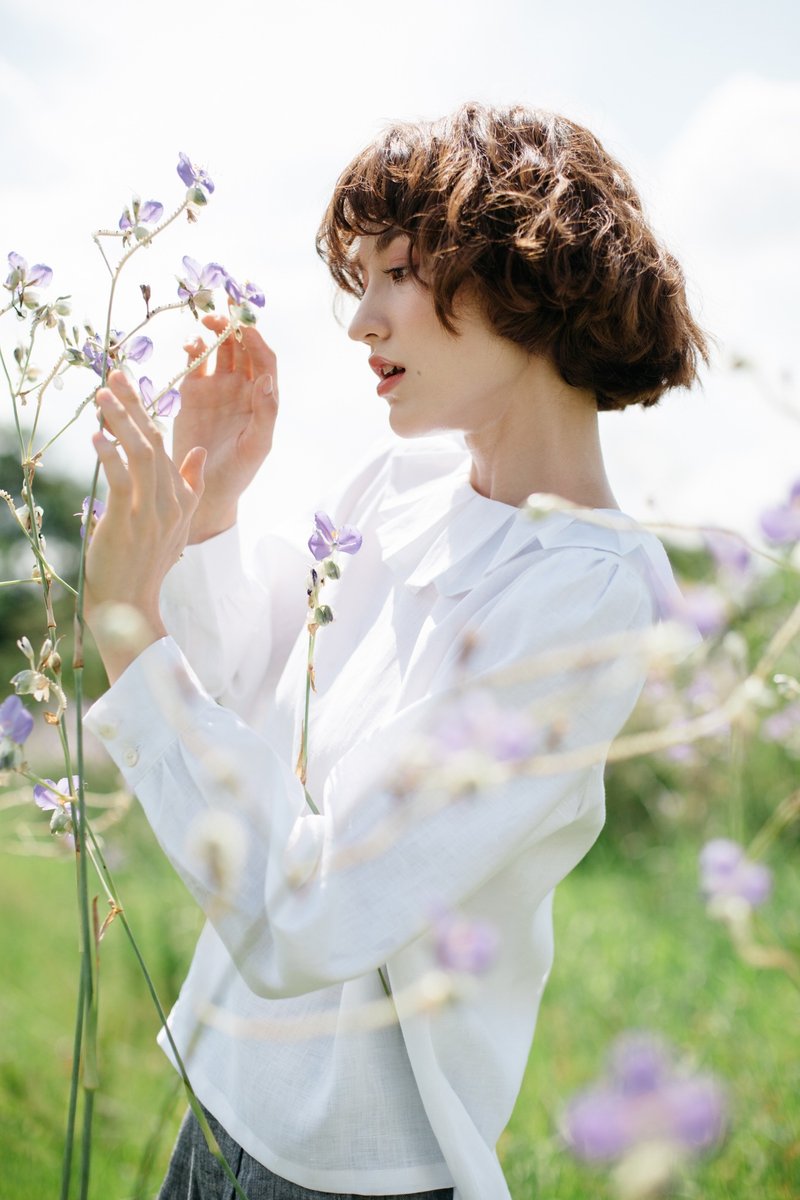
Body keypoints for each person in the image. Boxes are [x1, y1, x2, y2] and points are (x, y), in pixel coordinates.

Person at [83, 103, 708, 1200]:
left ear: (525, 271)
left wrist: (123, 636)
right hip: (222, 1103)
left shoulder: (586, 594)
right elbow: (236, 694)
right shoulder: (395, 489)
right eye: (352, 278)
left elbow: (311, 911)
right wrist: (211, 509)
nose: (360, 321)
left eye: (396, 273)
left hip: (347, 1172)